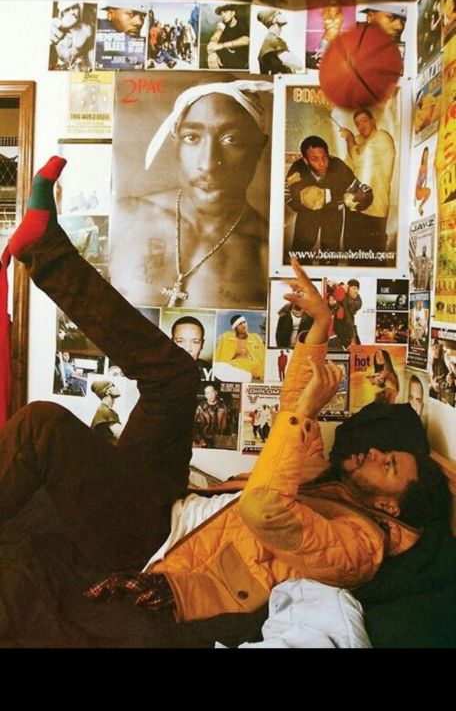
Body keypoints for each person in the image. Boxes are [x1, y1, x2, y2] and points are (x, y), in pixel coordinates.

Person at [2, 163, 449, 645]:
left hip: (152, 549)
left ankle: (43, 250)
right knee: (175, 376)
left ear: (389, 504)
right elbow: (292, 415)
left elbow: (263, 508)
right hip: (171, 505)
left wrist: (301, 416)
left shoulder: (358, 547)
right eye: (388, 452)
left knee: (41, 427)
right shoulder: (334, 487)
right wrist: (319, 325)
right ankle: (43, 247)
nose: (376, 453)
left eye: (390, 465)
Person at [110, 80, 272, 309]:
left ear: (259, 148)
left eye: (231, 140)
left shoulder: (266, 254)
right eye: (192, 138)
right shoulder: (126, 217)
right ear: (175, 142)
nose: (208, 164)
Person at [285, 135, 373, 258]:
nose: (322, 164)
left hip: (333, 214)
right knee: (300, 252)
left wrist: (365, 196)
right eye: (315, 159)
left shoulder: (338, 165)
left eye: (324, 157)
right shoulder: (298, 168)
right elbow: (287, 195)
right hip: (307, 216)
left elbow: (357, 187)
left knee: (330, 253)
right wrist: (303, 205)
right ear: (305, 160)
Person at [340, 109, 396, 255]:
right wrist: (354, 142)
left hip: (374, 210)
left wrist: (350, 139)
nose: (361, 125)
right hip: (355, 207)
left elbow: (360, 158)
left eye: (364, 120)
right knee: (351, 251)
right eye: (357, 123)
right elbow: (348, 168)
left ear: (373, 121)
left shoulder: (382, 137)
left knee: (372, 256)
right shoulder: (359, 141)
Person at [215, 314, 265, 381]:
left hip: (253, 370)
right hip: (234, 370)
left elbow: (264, 356)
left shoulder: (255, 338)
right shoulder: (227, 338)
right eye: (240, 324)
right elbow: (218, 355)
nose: (244, 325)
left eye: (244, 322)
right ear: (235, 327)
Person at [49, 1, 95, 72]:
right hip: (61, 68)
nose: (72, 12)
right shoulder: (55, 26)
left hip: (79, 68)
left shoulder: (87, 30)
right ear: (62, 14)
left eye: (74, 7)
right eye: (67, 9)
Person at [256, 9, 302, 74]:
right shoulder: (273, 40)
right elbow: (299, 65)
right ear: (274, 19)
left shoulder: (269, 39)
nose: (283, 15)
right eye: (279, 13)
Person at [205, 4, 249, 70]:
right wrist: (213, 54)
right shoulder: (221, 26)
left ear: (233, 13)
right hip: (226, 65)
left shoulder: (242, 24)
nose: (223, 15)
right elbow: (213, 41)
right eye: (221, 13)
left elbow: (246, 40)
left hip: (241, 66)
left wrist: (222, 45)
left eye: (225, 12)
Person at [170, 315, 212, 380]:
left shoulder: (211, 372)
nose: (187, 349)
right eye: (180, 341)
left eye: (195, 342)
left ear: (202, 344)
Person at [193, 383, 227, 448]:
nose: (211, 395)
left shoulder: (223, 407)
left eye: (212, 392)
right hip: (204, 440)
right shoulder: (200, 408)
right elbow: (194, 427)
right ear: (206, 396)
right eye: (208, 393)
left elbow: (230, 424)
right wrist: (200, 440)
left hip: (220, 440)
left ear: (216, 392)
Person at [90, 379, 122, 444]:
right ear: (107, 391)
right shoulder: (106, 410)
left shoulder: (103, 408)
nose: (116, 387)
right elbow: (123, 436)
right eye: (113, 386)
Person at [414, 147, 431, 216]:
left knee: (428, 191)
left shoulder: (426, 165)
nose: (425, 157)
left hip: (420, 189)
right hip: (417, 191)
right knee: (428, 191)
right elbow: (417, 180)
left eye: (427, 155)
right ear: (422, 156)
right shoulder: (421, 166)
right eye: (424, 155)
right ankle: (420, 206)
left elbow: (424, 179)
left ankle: (420, 206)